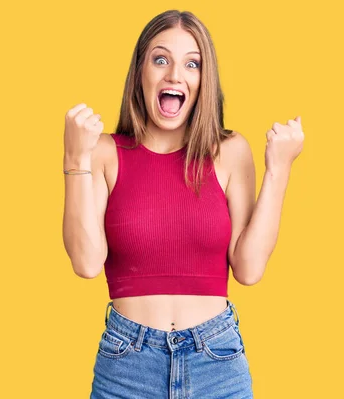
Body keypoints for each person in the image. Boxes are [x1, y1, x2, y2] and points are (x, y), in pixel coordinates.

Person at [62, 9, 304, 399]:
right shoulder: (104, 152)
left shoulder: (229, 151)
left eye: (192, 64)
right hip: (127, 365)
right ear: (140, 71)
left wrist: (279, 170)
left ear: (203, 80)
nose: (175, 75)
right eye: (161, 60)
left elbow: (249, 268)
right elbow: (87, 263)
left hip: (216, 361)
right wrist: (74, 160)